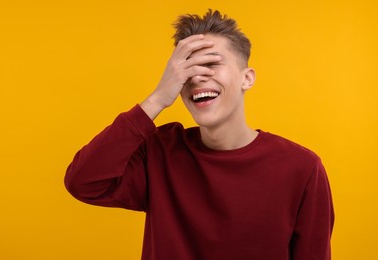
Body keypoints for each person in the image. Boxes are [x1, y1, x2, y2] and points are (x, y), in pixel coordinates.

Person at [65, 9, 334, 260]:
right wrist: (158, 98)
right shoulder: (159, 151)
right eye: (186, 69)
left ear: (247, 78)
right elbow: (83, 181)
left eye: (210, 64)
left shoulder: (303, 168)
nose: (197, 77)